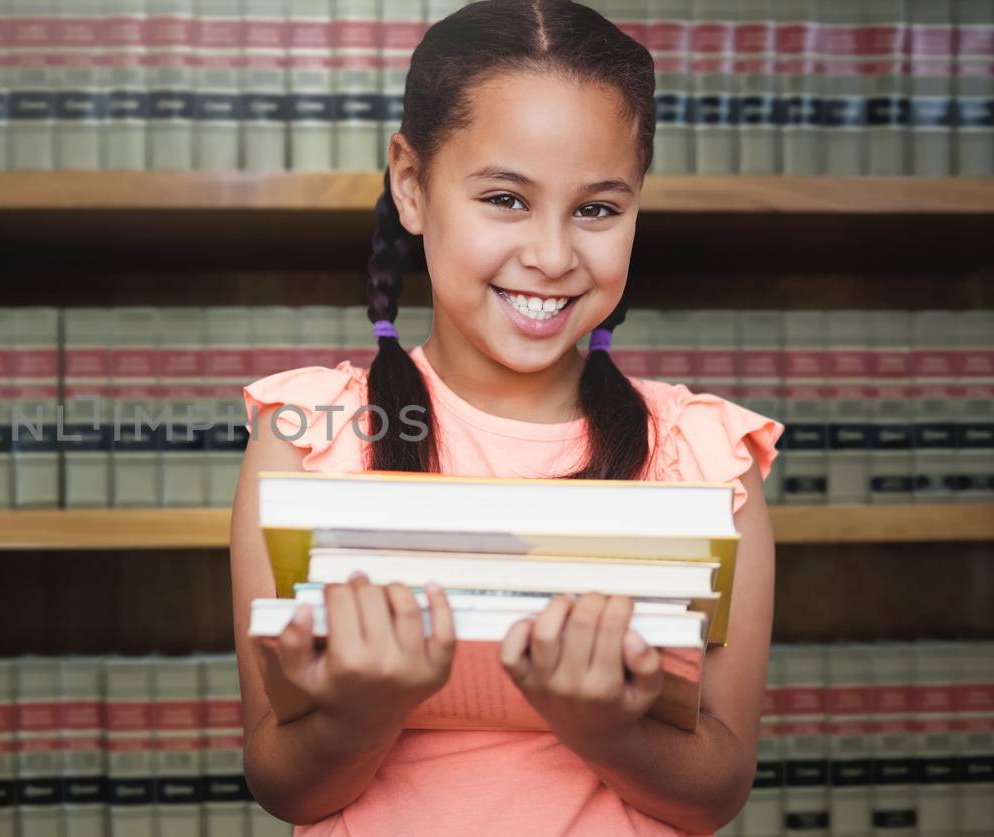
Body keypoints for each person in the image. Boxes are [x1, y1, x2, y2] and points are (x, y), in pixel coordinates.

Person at [228, 1, 785, 834]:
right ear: (411, 186)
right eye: (505, 199)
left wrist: (603, 726)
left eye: (597, 209)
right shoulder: (307, 439)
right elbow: (283, 782)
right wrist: (363, 714)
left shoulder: (707, 461)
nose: (554, 256)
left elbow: (717, 788)